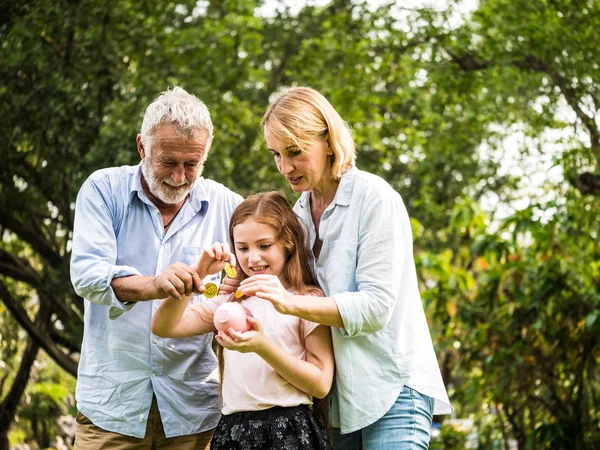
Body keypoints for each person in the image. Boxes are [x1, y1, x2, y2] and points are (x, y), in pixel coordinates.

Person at [237, 87, 453, 450]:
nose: (284, 167)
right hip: (335, 402)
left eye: (295, 152)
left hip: (392, 388)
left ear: (328, 141)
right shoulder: (299, 216)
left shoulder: (375, 199)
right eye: (276, 154)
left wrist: (291, 304)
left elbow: (375, 307)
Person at [70, 86, 243, 449]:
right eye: (168, 162)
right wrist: (154, 285)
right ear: (141, 148)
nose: (179, 177)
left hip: (192, 411)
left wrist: (218, 292)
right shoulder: (103, 190)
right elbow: (87, 275)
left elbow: (250, 276)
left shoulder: (228, 206)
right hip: (111, 411)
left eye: (192, 164)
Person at [151, 191, 335, 450]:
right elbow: (164, 326)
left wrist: (262, 347)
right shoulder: (230, 300)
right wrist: (199, 272)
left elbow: (321, 384)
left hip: (289, 429)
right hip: (233, 432)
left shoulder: (305, 299)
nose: (253, 258)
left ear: (288, 243)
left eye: (264, 246)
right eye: (243, 248)